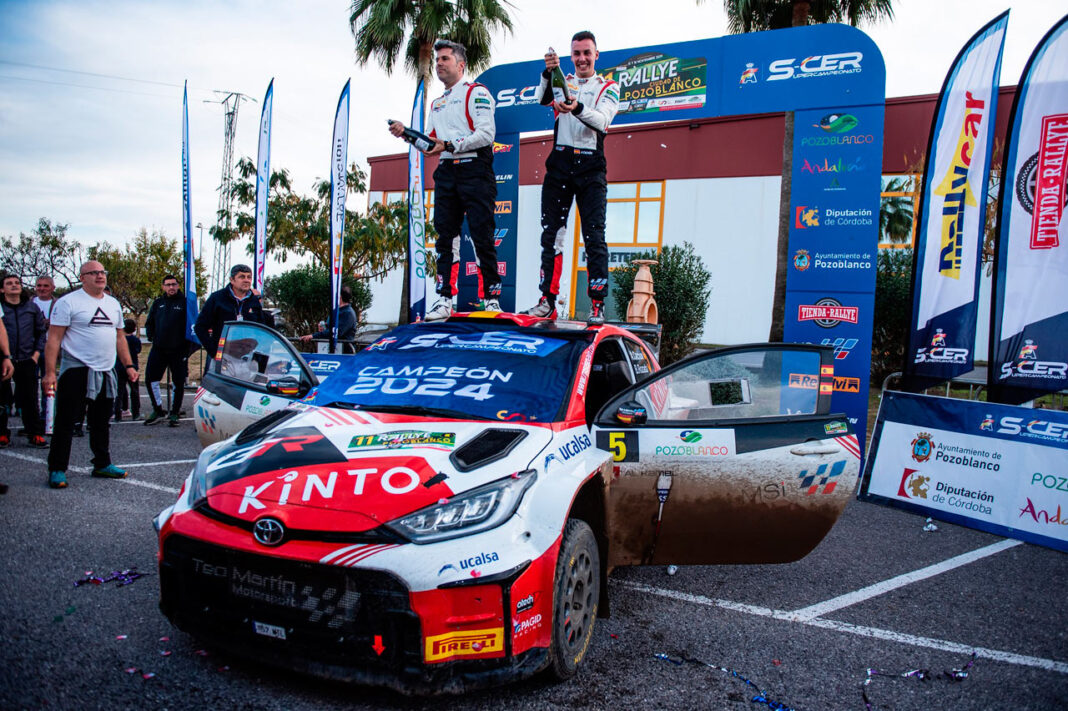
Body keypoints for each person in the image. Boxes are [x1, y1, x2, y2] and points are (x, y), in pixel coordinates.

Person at [389, 38, 501, 321]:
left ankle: (490, 298)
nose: (438, 63)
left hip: (476, 169)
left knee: (482, 235)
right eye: (437, 60)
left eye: (445, 59)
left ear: (460, 65)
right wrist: (407, 134)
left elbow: (486, 135)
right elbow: (430, 146)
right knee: (445, 239)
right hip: (448, 173)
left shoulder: (477, 93)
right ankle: (444, 299)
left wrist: (449, 145)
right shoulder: (437, 103)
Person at [522, 31, 619, 325]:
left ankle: (597, 304)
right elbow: (541, 99)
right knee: (552, 235)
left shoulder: (609, 86)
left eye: (587, 53)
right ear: (571, 56)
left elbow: (603, 121)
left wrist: (575, 107)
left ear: (596, 55)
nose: (581, 59)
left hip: (591, 166)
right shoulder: (561, 79)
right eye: (576, 53)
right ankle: (547, 301)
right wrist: (548, 72)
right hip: (560, 163)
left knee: (594, 236)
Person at [42, 261, 138, 489]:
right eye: (93, 272)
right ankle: (57, 469)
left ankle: (102, 464)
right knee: (66, 421)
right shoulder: (68, 303)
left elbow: (119, 338)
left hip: (106, 370)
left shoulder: (113, 304)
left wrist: (128, 365)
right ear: (82, 277)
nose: (100, 276)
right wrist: (49, 373)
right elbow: (54, 339)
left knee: (101, 421)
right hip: (76, 369)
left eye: (102, 272)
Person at [1, 273, 47, 448]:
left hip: (27, 359)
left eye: (17, 283)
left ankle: (34, 433)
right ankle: (2, 434)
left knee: (30, 398)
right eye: (9, 283)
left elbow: (41, 332)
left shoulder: (31, 308)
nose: (14, 285)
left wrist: (36, 354)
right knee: (3, 398)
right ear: (2, 288)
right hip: (5, 359)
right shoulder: (1, 308)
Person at [194, 264, 273, 359]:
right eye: (242, 277)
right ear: (232, 280)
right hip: (223, 357)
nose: (246, 280)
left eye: (249, 277)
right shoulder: (217, 298)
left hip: (248, 358)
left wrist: (257, 356)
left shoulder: (254, 301)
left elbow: (261, 329)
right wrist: (214, 352)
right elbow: (200, 327)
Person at [144, 275, 192, 426]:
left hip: (178, 350)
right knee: (150, 379)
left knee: (178, 382)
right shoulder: (158, 303)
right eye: (168, 285)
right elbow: (149, 322)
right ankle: (157, 409)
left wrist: (187, 347)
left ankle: (174, 413)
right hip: (159, 349)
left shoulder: (186, 303)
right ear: (163, 287)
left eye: (174, 284)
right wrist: (152, 336)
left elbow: (193, 325)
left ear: (178, 286)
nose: (171, 287)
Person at [114, 318, 141, 421]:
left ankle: (117, 414)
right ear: (134, 329)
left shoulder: (119, 339)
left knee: (119, 392)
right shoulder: (135, 340)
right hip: (132, 367)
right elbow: (138, 350)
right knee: (134, 391)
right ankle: (136, 413)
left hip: (119, 367)